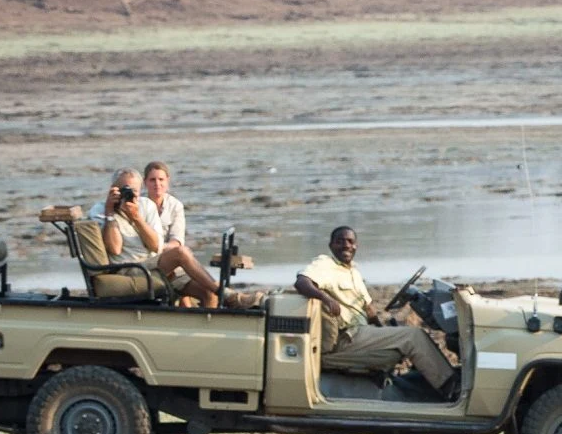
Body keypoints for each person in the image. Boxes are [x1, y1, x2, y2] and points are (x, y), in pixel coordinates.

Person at [295, 226, 458, 400]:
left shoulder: (352, 272)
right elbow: (301, 282)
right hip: (347, 338)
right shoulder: (325, 264)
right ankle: (453, 389)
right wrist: (326, 299)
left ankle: (431, 386)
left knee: (406, 335)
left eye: (350, 241)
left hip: (360, 333)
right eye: (340, 241)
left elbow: (369, 309)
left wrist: (383, 328)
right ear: (331, 245)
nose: (346, 245)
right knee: (414, 336)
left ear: (356, 246)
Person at [89, 168, 262, 309]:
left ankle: (204, 337)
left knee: (208, 293)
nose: (128, 195)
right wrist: (110, 213)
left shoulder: (146, 205)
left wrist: (136, 218)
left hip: (153, 263)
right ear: (113, 188)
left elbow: (155, 246)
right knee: (180, 253)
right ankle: (229, 295)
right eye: (124, 189)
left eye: (133, 191)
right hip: (129, 269)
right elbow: (115, 249)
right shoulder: (100, 210)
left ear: (140, 190)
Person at [143, 161, 186, 250]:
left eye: (161, 179)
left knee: (183, 251)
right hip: (144, 252)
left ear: (167, 181)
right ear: (145, 182)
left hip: (166, 252)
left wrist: (158, 247)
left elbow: (177, 240)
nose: (157, 184)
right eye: (152, 180)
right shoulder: (138, 204)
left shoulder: (175, 206)